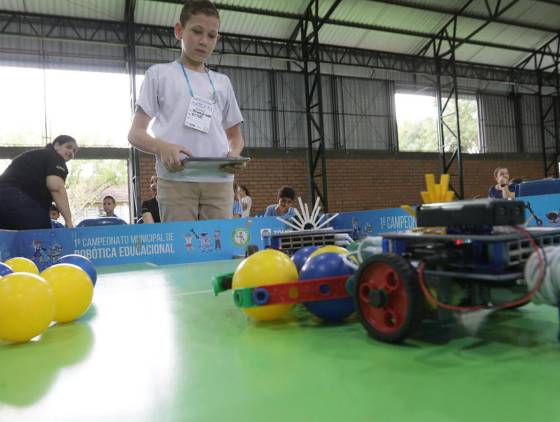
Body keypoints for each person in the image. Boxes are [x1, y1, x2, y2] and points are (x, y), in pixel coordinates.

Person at [128, 0, 244, 222]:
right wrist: (162, 147)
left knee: (220, 249)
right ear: (179, 30)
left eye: (211, 35)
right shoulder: (159, 75)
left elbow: (236, 137)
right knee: (183, 250)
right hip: (175, 180)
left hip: (219, 181)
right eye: (197, 31)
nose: (203, 41)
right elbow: (135, 133)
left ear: (217, 39)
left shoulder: (222, 82)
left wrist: (234, 155)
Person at [0, 135, 77, 230]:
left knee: (8, 241)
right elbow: (56, 188)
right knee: (40, 240)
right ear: (57, 145)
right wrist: (69, 221)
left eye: (74, 151)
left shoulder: (38, 156)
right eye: (68, 147)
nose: (71, 152)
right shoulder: (55, 158)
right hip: (22, 199)